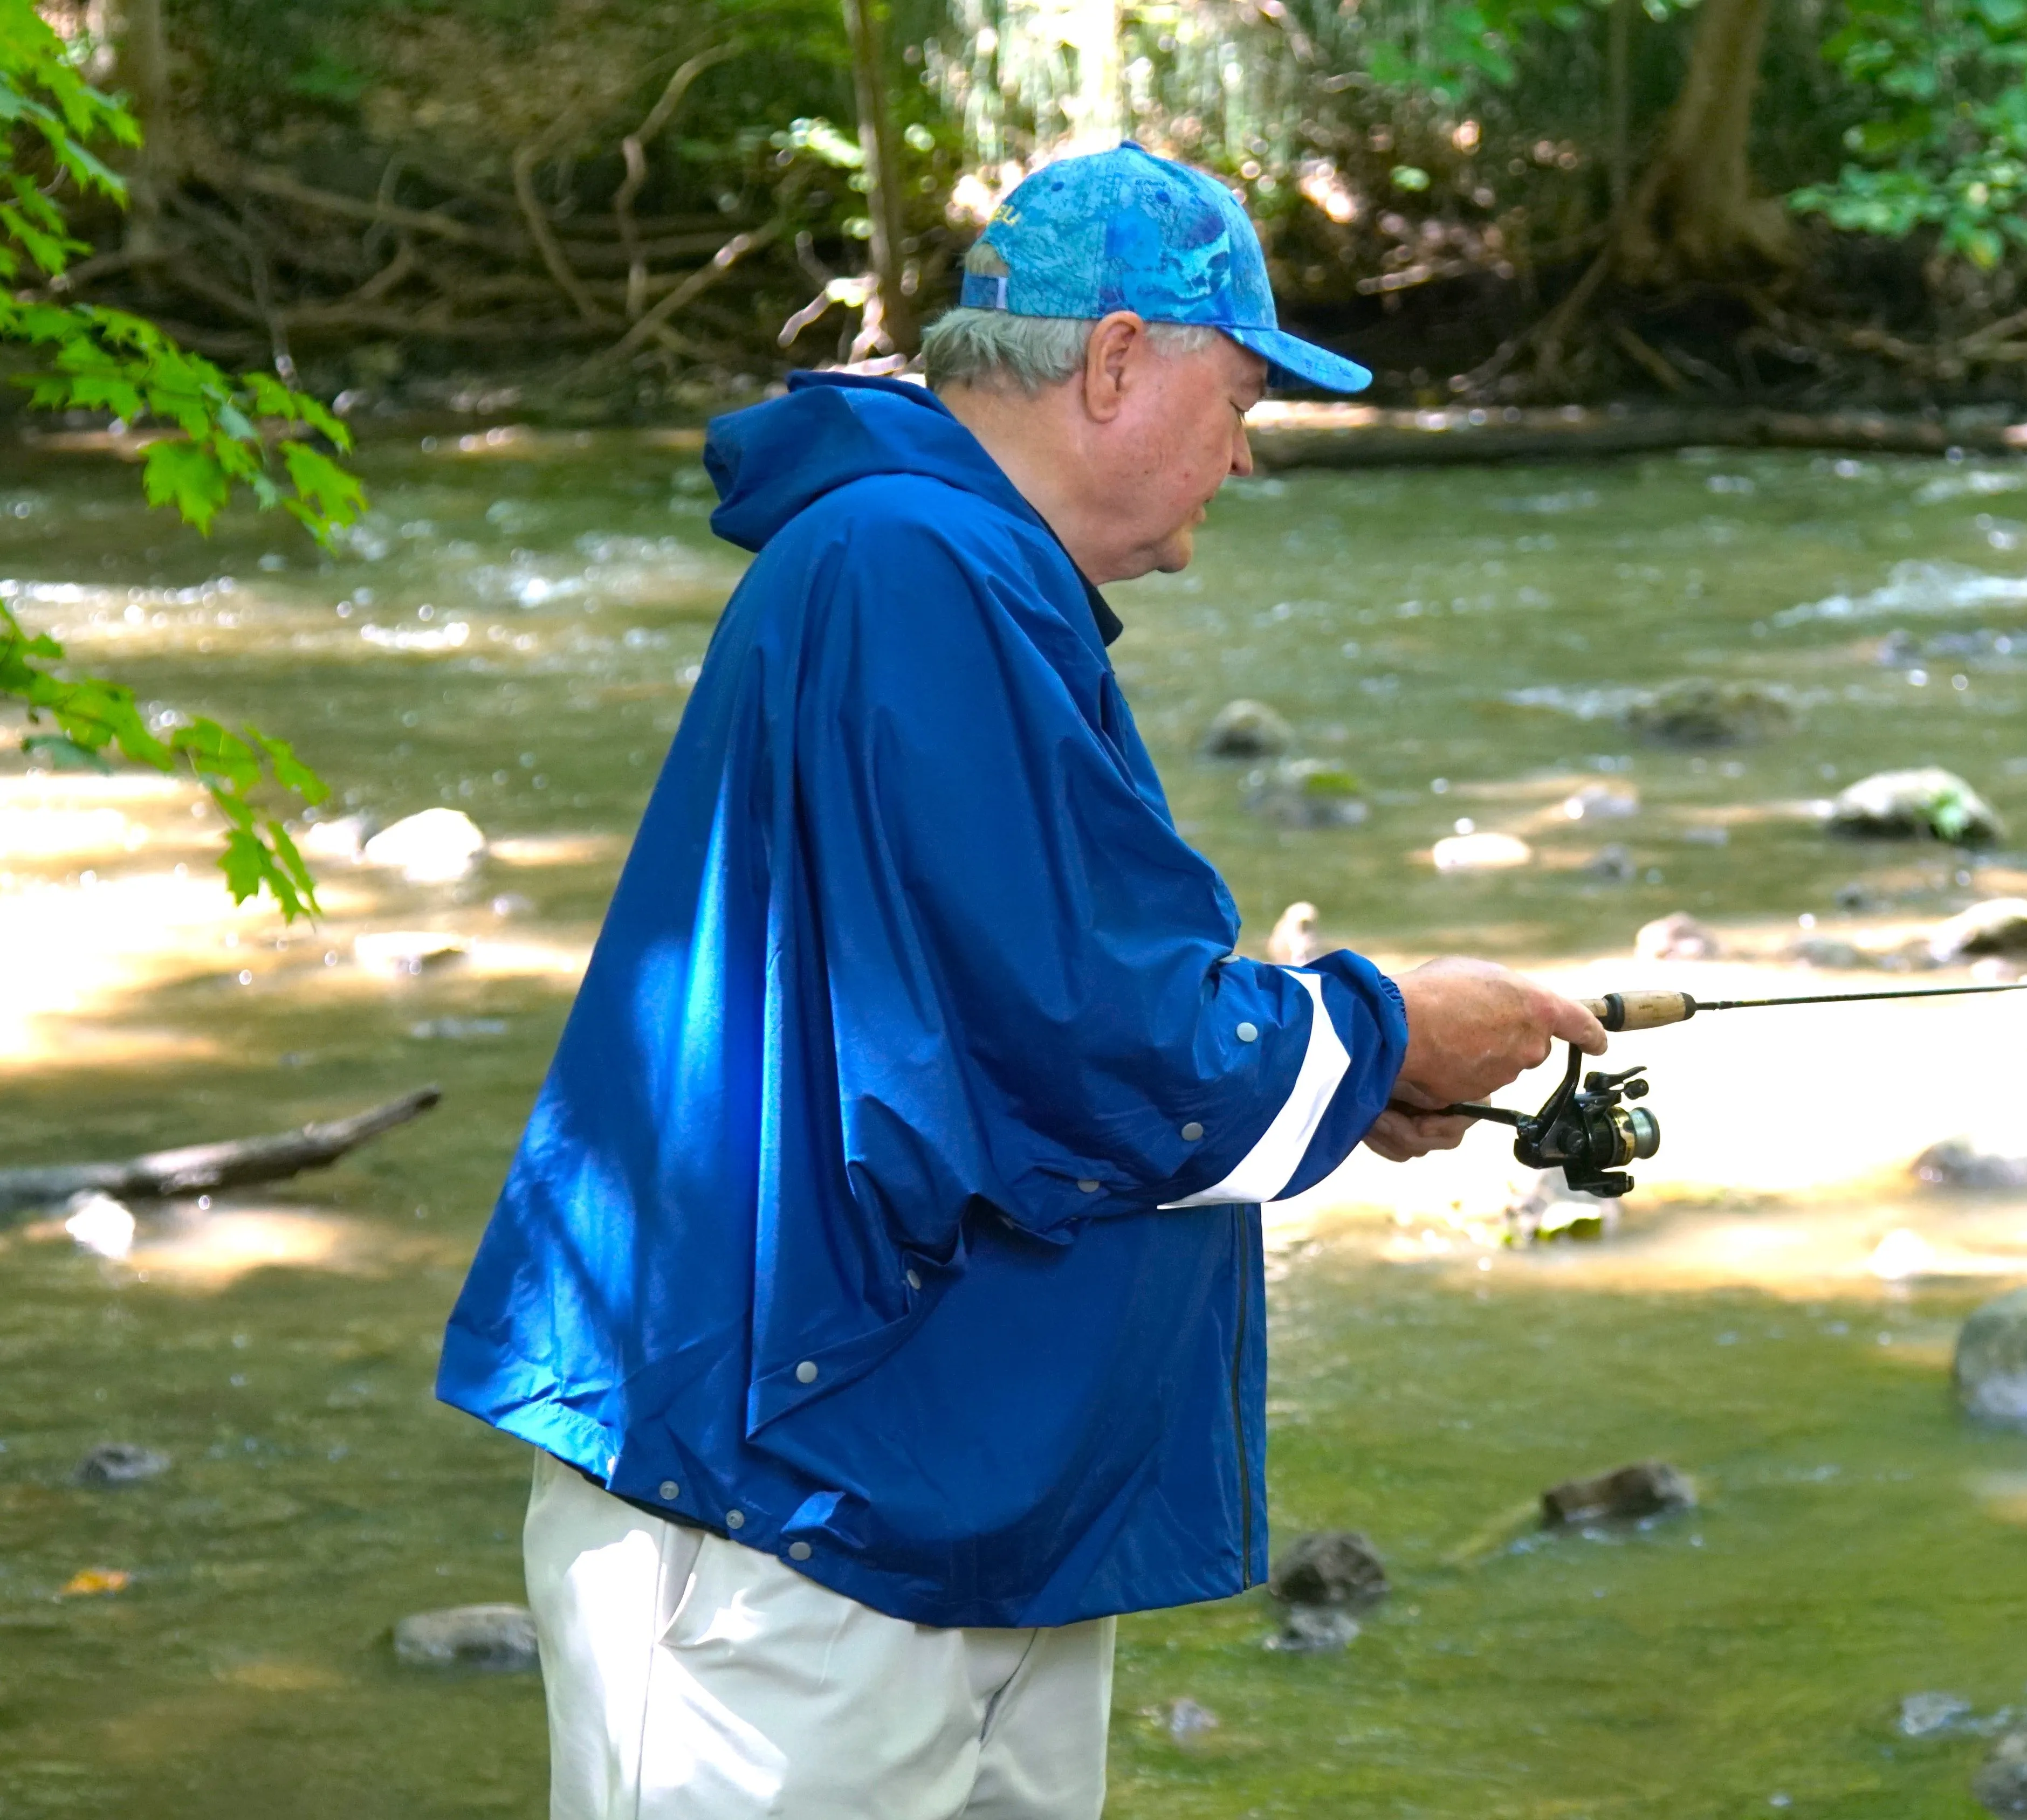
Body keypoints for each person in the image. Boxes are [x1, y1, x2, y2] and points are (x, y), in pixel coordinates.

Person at [436, 140, 1605, 1820]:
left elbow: (1012, 1010)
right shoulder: (916, 569)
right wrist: (1386, 1028)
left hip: (942, 1490)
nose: (1247, 456)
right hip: (792, 1496)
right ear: (1119, 361)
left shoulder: (944, 570)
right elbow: (1079, 1034)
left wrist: (1354, 1085)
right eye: (1242, 399)